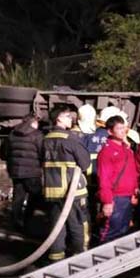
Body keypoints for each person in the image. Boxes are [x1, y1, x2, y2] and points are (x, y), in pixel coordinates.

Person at [41, 106, 91, 261]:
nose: (71, 118)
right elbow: (85, 164)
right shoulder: (71, 139)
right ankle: (80, 254)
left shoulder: (45, 139)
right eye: (67, 116)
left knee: (57, 226)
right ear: (58, 119)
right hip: (72, 191)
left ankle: (56, 257)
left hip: (51, 190)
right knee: (78, 224)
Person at [97, 115, 140, 243]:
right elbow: (104, 178)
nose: (123, 131)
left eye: (124, 128)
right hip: (115, 198)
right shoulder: (107, 151)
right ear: (110, 131)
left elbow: (133, 173)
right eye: (119, 128)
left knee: (123, 230)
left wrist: (134, 191)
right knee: (111, 232)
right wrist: (107, 201)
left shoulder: (126, 150)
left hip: (127, 197)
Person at [0, 114, 43, 231]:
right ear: (33, 123)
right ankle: (28, 220)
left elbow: (3, 153)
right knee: (35, 196)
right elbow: (42, 152)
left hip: (15, 170)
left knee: (18, 196)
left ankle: (15, 221)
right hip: (32, 171)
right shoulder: (37, 135)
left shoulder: (12, 134)